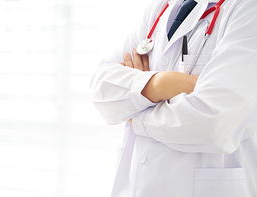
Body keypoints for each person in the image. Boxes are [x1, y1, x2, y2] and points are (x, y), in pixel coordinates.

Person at [90, 0, 257, 196]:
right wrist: (161, 83)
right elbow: (101, 86)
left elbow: (213, 123)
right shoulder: (159, 9)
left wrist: (135, 112)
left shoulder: (247, 9)